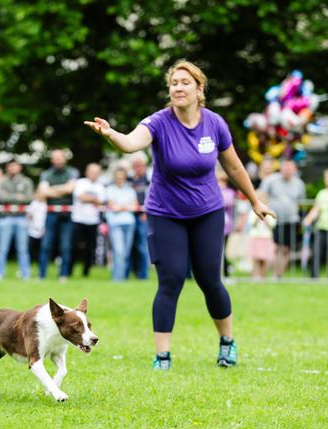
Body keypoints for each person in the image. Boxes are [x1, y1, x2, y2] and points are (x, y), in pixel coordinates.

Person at [85, 59, 275, 369]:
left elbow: (234, 166)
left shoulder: (214, 123)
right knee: (170, 281)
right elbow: (131, 143)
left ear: (200, 89)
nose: (178, 88)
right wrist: (110, 134)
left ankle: (227, 343)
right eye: (174, 83)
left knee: (210, 280)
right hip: (166, 213)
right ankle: (163, 356)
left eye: (185, 82)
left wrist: (254, 200)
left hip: (207, 212)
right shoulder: (159, 122)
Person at [259, 159, 305, 278]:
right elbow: (261, 196)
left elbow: (302, 202)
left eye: (290, 169)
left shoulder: (299, 184)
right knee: (275, 247)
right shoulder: (271, 180)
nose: (288, 171)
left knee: (286, 248)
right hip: (273, 220)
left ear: (294, 170)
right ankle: (268, 272)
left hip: (291, 220)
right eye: (286, 168)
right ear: (281, 168)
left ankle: (279, 274)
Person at [37, 149, 78, 281]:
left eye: (60, 158)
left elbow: (70, 189)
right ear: (52, 160)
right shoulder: (46, 173)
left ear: (64, 159)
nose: (58, 160)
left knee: (65, 246)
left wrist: (52, 189)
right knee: (45, 245)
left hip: (67, 214)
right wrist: (62, 189)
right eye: (56, 158)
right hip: (50, 213)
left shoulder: (72, 171)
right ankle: (42, 275)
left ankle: (63, 275)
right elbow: (43, 192)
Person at [0, 160, 33, 280]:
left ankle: (26, 275)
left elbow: (29, 198)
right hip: (5, 217)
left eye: (14, 166)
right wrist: (18, 196)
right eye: (10, 166)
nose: (12, 168)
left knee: (23, 249)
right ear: (7, 168)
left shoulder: (26, 181)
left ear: (20, 167)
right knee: (2, 248)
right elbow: (1, 197)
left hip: (21, 218)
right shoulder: (1, 181)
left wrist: (9, 196)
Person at [70, 163, 106, 278]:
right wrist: (94, 199)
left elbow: (101, 201)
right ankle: (69, 270)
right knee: (73, 247)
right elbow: (80, 197)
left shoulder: (101, 186)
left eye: (96, 172)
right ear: (86, 172)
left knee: (90, 248)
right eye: (92, 172)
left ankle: (86, 272)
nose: (94, 174)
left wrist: (88, 198)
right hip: (78, 219)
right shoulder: (80, 182)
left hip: (93, 221)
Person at [105, 167, 138, 281]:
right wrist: (126, 206)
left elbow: (135, 206)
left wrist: (121, 206)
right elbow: (113, 206)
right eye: (117, 177)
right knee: (119, 251)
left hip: (129, 223)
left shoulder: (130, 190)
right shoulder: (110, 189)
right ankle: (118, 279)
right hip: (115, 223)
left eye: (121, 177)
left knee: (125, 253)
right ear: (114, 177)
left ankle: (123, 277)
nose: (119, 179)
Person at [243, 190, 277, 281]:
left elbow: (272, 225)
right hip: (255, 237)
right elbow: (250, 224)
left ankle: (263, 278)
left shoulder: (269, 212)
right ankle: (254, 277)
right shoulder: (252, 212)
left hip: (266, 237)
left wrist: (265, 219)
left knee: (264, 259)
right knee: (255, 259)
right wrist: (257, 218)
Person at [128, 154, 151, 279]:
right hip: (129, 216)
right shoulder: (129, 179)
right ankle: (133, 271)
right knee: (131, 246)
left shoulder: (149, 179)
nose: (137, 167)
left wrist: (147, 213)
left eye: (140, 165)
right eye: (135, 165)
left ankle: (143, 275)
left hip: (143, 216)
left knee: (142, 246)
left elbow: (153, 196)